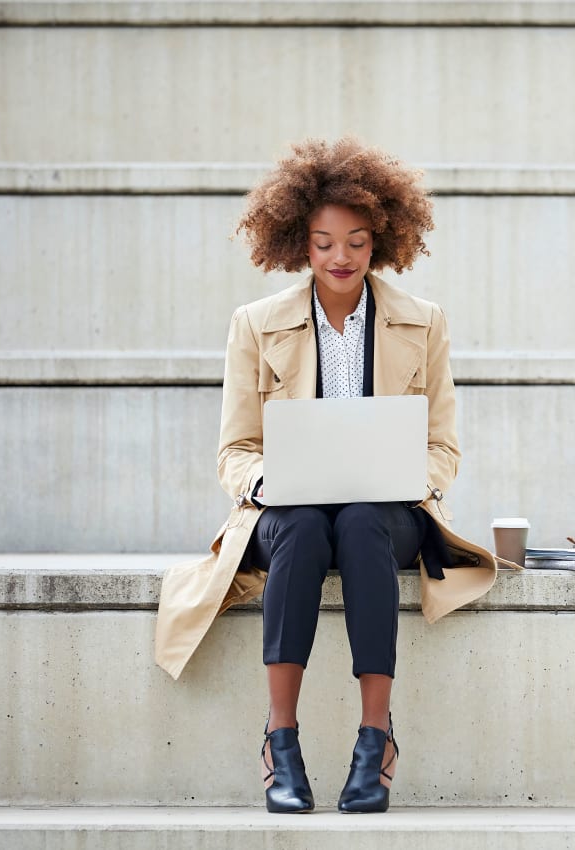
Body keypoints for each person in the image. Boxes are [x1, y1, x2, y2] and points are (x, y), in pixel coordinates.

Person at [154, 137, 507, 814]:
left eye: (355, 241)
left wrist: (412, 476)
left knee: (361, 520)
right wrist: (269, 482)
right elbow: (235, 450)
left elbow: (443, 446)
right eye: (322, 243)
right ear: (296, 244)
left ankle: (374, 738)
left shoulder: (422, 322)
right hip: (286, 512)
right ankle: (279, 739)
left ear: (382, 240)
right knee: (304, 526)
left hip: (388, 511)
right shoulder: (255, 325)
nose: (339, 258)